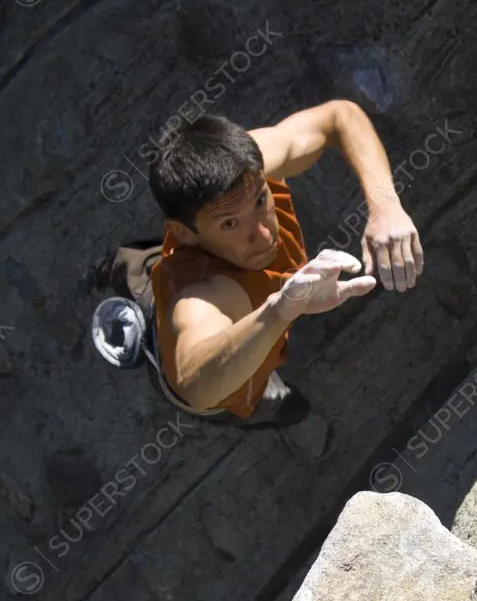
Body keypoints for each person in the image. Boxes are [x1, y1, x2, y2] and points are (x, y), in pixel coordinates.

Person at [148, 99, 423, 428]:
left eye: (261, 202)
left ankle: (139, 272)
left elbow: (338, 117)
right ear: (183, 232)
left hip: (202, 263)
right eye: (230, 224)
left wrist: (385, 207)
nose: (263, 235)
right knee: (259, 399)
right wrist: (280, 308)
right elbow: (197, 385)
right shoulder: (205, 295)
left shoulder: (243, 169)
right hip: (219, 388)